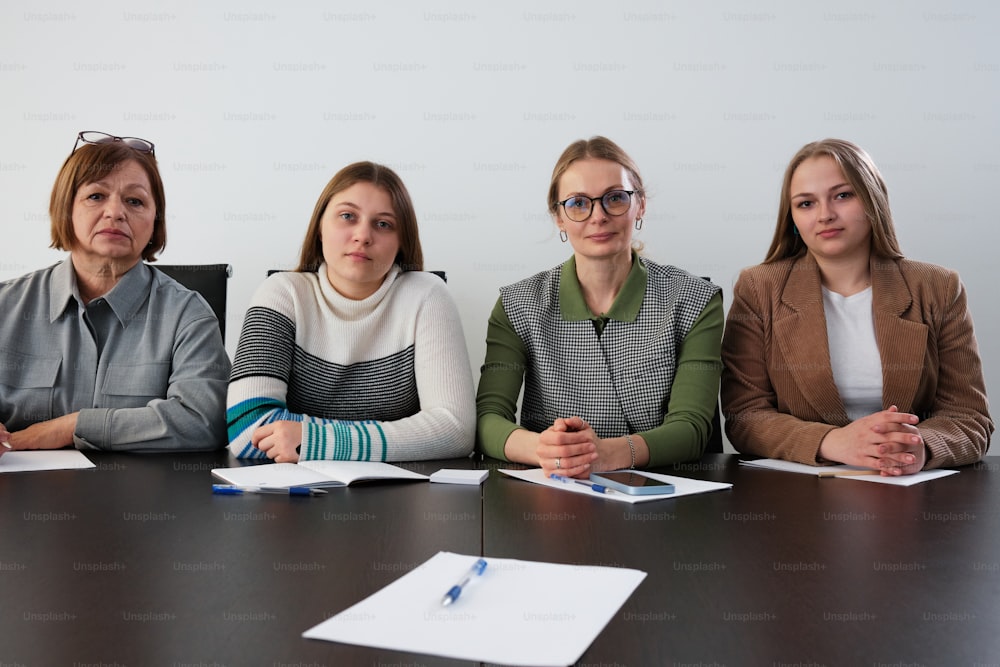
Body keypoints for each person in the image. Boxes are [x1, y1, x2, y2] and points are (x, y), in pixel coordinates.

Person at [722, 138, 993, 475]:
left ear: (872, 200)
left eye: (843, 195)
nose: (825, 215)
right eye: (806, 203)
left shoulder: (939, 287)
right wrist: (833, 441)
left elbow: (969, 418)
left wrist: (918, 447)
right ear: (791, 217)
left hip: (909, 488)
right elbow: (744, 416)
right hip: (801, 497)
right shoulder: (759, 288)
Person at [476, 136, 723, 478]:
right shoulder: (518, 304)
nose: (598, 216)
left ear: (641, 205)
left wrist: (606, 454)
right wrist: (543, 450)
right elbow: (488, 419)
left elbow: (692, 429)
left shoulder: (695, 300)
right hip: (552, 492)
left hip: (663, 493)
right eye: (578, 203)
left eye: (615, 198)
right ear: (558, 217)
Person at [227, 161, 475, 462]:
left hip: (400, 498)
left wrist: (313, 441)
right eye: (347, 216)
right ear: (320, 227)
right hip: (294, 499)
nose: (363, 235)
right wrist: (402, 437)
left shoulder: (428, 295)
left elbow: (456, 430)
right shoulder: (282, 293)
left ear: (401, 242)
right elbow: (247, 430)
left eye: (383, 224)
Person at [0, 131, 230, 454]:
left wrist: (71, 427)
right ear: (66, 208)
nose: (115, 212)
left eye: (134, 201)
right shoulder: (6, 307)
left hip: (144, 503)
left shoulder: (188, 315)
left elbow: (204, 421)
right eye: (96, 196)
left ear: (154, 222)